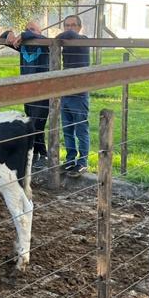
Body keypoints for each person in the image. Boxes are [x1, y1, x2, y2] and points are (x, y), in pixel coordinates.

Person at [1, 21, 50, 167]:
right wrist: (9, 33)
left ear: (40, 32)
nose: (29, 32)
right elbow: (3, 37)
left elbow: (39, 38)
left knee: (37, 123)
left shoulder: (44, 44)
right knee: (32, 123)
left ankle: (42, 154)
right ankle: (37, 153)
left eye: (32, 29)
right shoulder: (22, 46)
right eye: (26, 29)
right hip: (27, 92)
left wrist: (23, 34)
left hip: (42, 91)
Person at [57, 15, 90, 177]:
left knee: (81, 130)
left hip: (80, 94)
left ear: (79, 27)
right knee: (67, 130)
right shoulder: (65, 42)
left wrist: (55, 39)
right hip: (66, 93)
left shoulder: (83, 40)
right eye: (67, 25)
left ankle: (83, 162)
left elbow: (70, 35)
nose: (69, 28)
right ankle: (70, 160)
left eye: (73, 25)